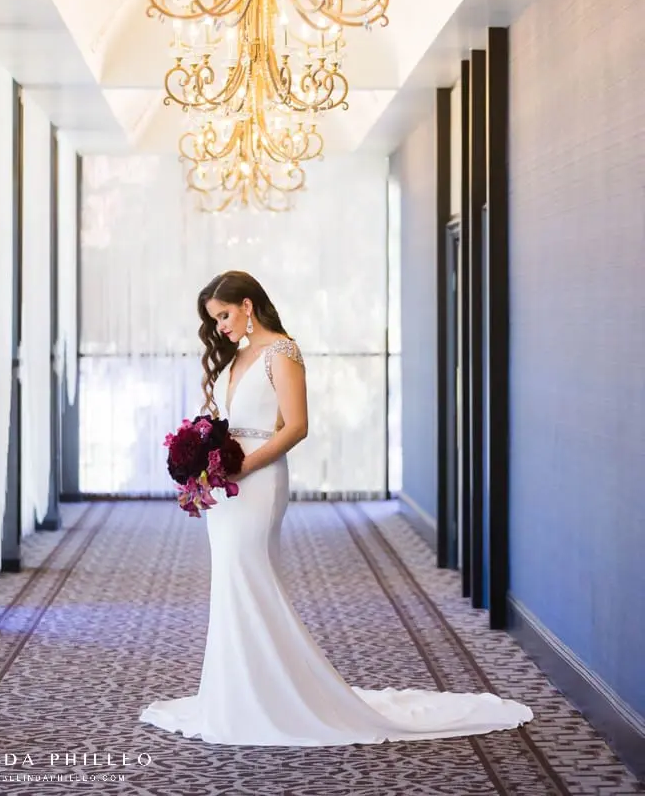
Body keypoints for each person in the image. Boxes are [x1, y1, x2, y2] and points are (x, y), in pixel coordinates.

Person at [139, 270, 534, 746]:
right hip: (226, 487)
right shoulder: (238, 355)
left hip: (258, 481)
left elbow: (297, 427)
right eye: (215, 320)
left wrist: (243, 465)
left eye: (224, 315)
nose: (220, 326)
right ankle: (239, 691)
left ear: (247, 305)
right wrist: (202, 457)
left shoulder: (282, 352)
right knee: (231, 581)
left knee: (250, 575)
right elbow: (227, 421)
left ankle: (277, 695)